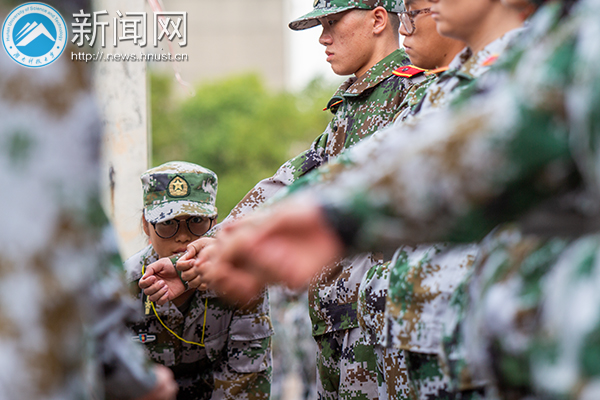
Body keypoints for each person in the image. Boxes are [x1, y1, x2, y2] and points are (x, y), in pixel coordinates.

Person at [173, 0, 600, 395]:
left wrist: (325, 221)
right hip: (425, 331)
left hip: (456, 333)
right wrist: (242, 235)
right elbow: (320, 175)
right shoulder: (541, 52)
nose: (323, 38)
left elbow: (482, 152)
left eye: (332, 23)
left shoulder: (454, 77)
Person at [0, 2, 178, 399]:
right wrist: (137, 380)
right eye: (168, 223)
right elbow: (63, 241)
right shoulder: (36, 55)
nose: (182, 235)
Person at [125, 162, 272, 400]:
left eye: (196, 220)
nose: (183, 236)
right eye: (167, 222)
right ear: (146, 225)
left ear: (214, 222)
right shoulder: (123, 286)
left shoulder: (239, 281)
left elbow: (248, 381)